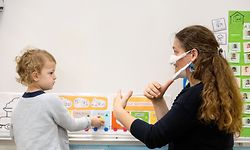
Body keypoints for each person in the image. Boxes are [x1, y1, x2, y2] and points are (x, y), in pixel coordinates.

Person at [113, 25, 243, 150]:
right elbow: (170, 131)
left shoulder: (195, 94)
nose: (172, 59)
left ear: (193, 55)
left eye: (176, 51)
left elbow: (153, 137)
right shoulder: (207, 89)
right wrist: (158, 101)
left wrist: (119, 112)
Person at [11, 48, 105, 150]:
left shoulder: (18, 105)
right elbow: (72, 125)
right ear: (36, 76)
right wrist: (90, 121)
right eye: (51, 73)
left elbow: (13, 135)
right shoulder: (50, 100)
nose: (55, 77)